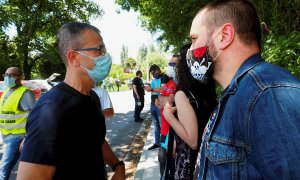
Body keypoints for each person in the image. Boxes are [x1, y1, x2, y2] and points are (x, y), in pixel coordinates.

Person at [189, 0, 300, 179]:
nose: (191, 50)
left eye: (194, 39)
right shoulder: (241, 92)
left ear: (224, 36)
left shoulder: (267, 95)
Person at [17, 22, 125, 180]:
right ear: (74, 57)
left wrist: (117, 166)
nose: (105, 55)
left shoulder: (92, 98)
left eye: (105, 49)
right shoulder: (51, 109)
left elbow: (96, 140)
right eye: (99, 49)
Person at [163, 45, 217, 179]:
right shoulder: (207, 91)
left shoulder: (182, 94)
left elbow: (192, 141)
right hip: (207, 163)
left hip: (188, 167)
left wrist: (169, 116)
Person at [0, 67, 36, 180]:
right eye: (6, 75)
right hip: (6, 135)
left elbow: (34, 117)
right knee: (11, 167)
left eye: (11, 75)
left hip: (17, 136)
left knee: (3, 169)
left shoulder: (25, 93)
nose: (7, 78)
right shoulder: (7, 90)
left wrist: (26, 137)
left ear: (20, 77)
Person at [154, 54, 179, 179]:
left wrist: (163, 99)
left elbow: (166, 101)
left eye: (173, 64)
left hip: (173, 133)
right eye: (169, 64)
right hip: (164, 130)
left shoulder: (179, 85)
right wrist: (162, 99)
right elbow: (158, 102)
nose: (170, 67)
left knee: (171, 169)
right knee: (162, 163)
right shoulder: (170, 83)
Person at [145, 64, 169, 150]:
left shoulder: (164, 77)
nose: (153, 74)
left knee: (162, 125)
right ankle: (157, 142)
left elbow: (162, 89)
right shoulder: (154, 79)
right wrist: (149, 87)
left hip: (160, 105)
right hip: (153, 104)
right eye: (152, 73)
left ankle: (164, 144)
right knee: (156, 125)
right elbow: (154, 88)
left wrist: (151, 89)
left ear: (158, 69)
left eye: (154, 72)